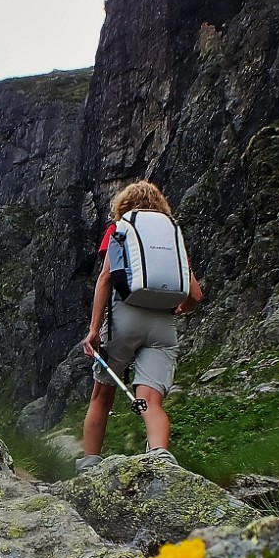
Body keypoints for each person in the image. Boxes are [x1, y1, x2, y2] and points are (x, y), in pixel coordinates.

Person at [77, 180, 203, 473]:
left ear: (123, 205)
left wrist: (94, 330)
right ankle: (160, 458)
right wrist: (178, 310)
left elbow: (106, 279)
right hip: (163, 324)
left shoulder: (120, 229)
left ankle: (90, 463)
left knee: (102, 394)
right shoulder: (171, 237)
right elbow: (196, 295)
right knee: (150, 400)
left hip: (125, 319)